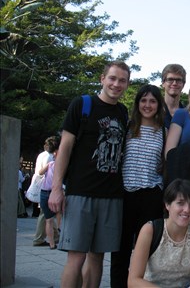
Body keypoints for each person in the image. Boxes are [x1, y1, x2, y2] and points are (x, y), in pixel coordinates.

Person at [48, 60, 130, 288]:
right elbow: (65, 147)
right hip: (80, 192)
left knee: (97, 256)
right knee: (76, 256)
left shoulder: (123, 113)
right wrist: (56, 188)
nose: (116, 84)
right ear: (102, 79)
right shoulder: (83, 104)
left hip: (111, 196)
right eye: (112, 78)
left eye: (122, 80)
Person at [111, 84, 166, 288]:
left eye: (152, 101)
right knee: (120, 250)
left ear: (158, 104)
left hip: (152, 196)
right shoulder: (127, 127)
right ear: (137, 103)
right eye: (143, 100)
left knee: (148, 251)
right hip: (126, 195)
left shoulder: (163, 131)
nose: (147, 105)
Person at [128, 179, 190, 288]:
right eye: (180, 203)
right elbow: (133, 281)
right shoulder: (150, 230)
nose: (186, 209)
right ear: (167, 205)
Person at [33, 136, 60, 246]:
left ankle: (53, 239)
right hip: (52, 190)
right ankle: (41, 238)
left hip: (43, 188)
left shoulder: (41, 155)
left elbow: (40, 172)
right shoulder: (52, 158)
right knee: (52, 216)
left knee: (47, 217)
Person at [39, 151, 60, 250]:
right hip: (54, 192)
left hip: (44, 192)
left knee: (49, 220)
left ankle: (52, 243)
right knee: (59, 216)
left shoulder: (50, 164)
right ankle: (60, 238)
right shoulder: (60, 166)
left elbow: (40, 172)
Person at [161, 64, 187, 128]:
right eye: (170, 79)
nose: (174, 83)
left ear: (183, 84)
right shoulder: (154, 110)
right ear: (163, 83)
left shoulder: (188, 114)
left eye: (178, 80)